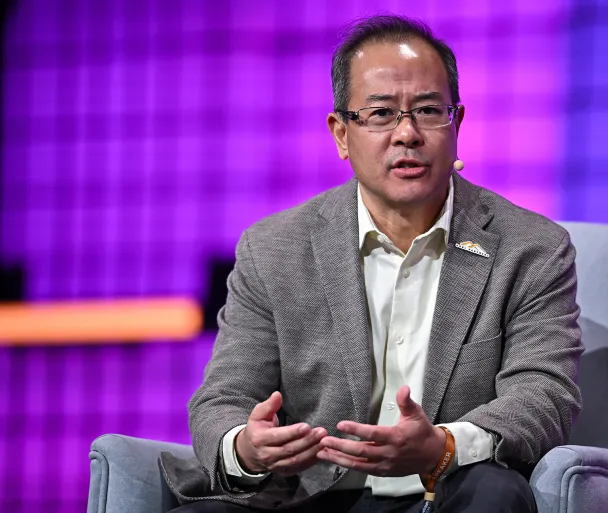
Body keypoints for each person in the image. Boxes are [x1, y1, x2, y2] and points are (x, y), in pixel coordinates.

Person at [162, 14, 583, 513]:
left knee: (495, 493)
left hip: (447, 490)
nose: (407, 133)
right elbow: (223, 398)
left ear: (456, 124)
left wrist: (445, 445)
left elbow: (543, 395)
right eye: (381, 113)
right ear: (341, 134)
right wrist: (247, 448)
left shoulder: (530, 248)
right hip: (312, 496)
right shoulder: (273, 249)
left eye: (428, 111)